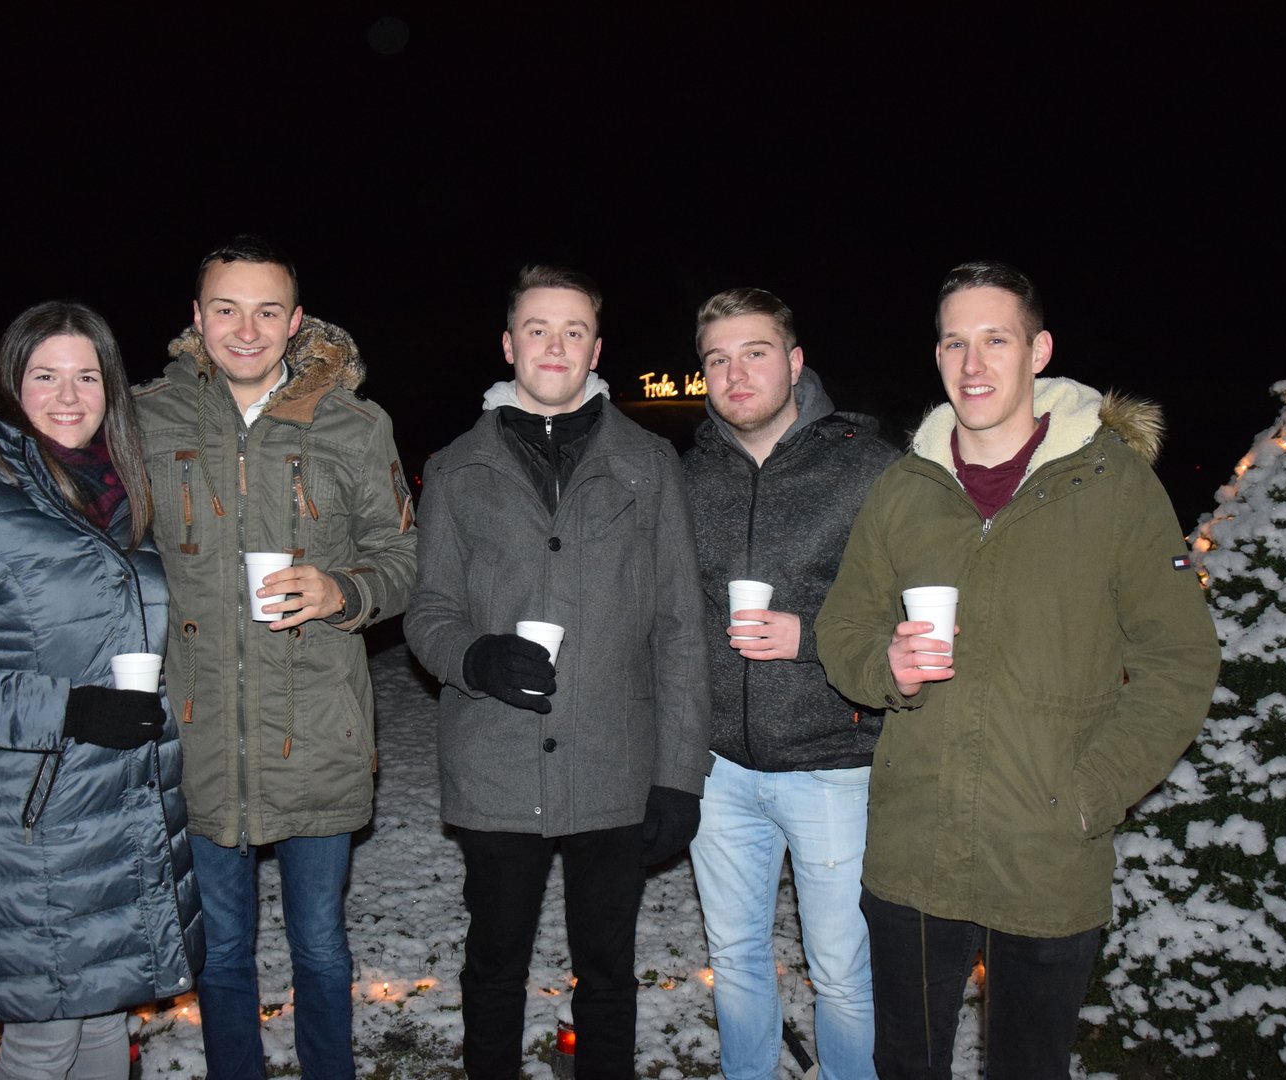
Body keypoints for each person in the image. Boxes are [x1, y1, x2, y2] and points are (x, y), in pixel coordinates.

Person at [815, 260, 1221, 1079]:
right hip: (915, 850)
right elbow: (843, 628)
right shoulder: (903, 490)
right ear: (936, 356)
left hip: (1048, 852)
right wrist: (885, 663)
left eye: (995, 340)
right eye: (954, 343)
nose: (973, 364)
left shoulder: (1112, 486)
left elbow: (1180, 659)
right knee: (906, 1065)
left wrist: (1094, 791)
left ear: (1039, 351)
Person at [0, 301, 203, 1080]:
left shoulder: (120, 503)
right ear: (9, 386)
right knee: (46, 1042)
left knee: (103, 1024)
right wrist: (69, 708)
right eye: (45, 375)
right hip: (26, 828)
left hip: (121, 812)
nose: (68, 395)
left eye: (87, 376)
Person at [404, 265, 711, 1079]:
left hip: (616, 764)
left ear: (596, 349)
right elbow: (428, 611)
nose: (555, 345)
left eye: (574, 331)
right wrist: (475, 656)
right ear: (509, 344)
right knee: (493, 965)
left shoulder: (650, 463)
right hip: (496, 763)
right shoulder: (456, 468)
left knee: (607, 971)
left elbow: (681, 627)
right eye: (537, 328)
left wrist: (680, 776)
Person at [133, 235, 416, 1080]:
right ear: (197, 316)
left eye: (267, 311)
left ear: (295, 322)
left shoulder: (355, 424)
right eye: (226, 309)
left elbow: (406, 558)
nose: (246, 330)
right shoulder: (147, 418)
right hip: (200, 736)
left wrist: (343, 590)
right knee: (220, 952)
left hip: (318, 732)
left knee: (320, 945)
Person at [681, 288, 900, 1080]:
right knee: (735, 957)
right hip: (718, 771)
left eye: (755, 353)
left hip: (833, 763)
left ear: (796, 361)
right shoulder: (688, 475)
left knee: (841, 970)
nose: (735, 374)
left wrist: (806, 639)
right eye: (717, 359)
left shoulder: (871, 468)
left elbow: (915, 616)